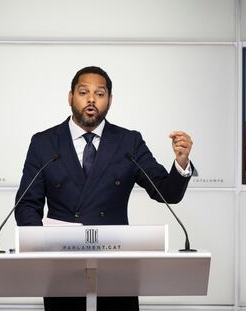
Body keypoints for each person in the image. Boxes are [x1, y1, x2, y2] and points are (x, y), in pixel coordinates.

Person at [15, 66, 193, 311]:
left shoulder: (128, 141)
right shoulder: (44, 142)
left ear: (109, 100)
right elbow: (26, 205)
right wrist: (41, 250)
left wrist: (181, 162)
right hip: (60, 266)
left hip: (116, 265)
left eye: (99, 93)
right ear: (70, 97)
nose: (91, 99)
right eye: (83, 92)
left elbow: (167, 192)